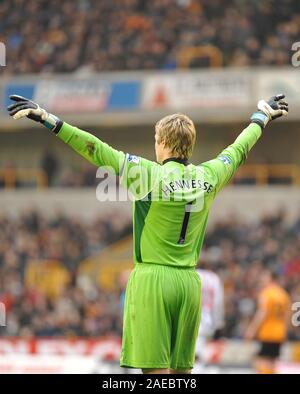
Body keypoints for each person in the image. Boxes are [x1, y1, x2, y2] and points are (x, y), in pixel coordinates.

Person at [7, 93, 288, 374]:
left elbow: (94, 148)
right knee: (181, 375)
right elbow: (238, 150)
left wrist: (49, 120)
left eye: (156, 140)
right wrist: (260, 117)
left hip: (153, 279)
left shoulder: (146, 174)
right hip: (189, 284)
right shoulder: (209, 175)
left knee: (154, 375)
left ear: (163, 143)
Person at [245, 269, 291, 374]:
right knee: (273, 362)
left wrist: (251, 329)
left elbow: (262, 313)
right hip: (279, 333)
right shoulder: (284, 295)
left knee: (260, 360)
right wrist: (284, 330)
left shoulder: (266, 293)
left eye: (265, 277)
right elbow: (288, 316)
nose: (262, 280)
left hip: (268, 333)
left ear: (271, 279)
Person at [194, 266, 224, 373]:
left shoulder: (192, 274)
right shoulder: (214, 278)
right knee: (201, 353)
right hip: (208, 320)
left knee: (193, 356)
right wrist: (218, 324)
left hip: (191, 317)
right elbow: (218, 303)